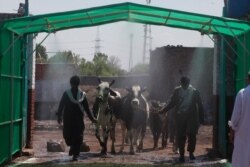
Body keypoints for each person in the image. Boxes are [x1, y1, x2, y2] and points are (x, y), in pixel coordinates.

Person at [160, 76, 204, 163]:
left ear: (188, 84)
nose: (184, 86)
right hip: (180, 117)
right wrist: (163, 110)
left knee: (192, 135)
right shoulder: (177, 91)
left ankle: (191, 153)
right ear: (181, 84)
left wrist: (201, 118)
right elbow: (172, 103)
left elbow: (200, 104)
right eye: (183, 84)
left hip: (192, 117)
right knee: (180, 136)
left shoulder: (194, 92)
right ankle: (182, 155)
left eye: (186, 84)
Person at [56, 75, 96, 161]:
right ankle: (73, 147)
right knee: (67, 136)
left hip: (77, 120)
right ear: (71, 84)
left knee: (78, 137)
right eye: (73, 84)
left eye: (75, 84)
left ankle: (75, 155)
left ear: (76, 84)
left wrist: (92, 118)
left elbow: (86, 108)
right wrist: (59, 115)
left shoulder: (82, 94)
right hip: (69, 119)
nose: (74, 86)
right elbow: (61, 105)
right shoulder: (67, 94)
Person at [229, 71, 250, 167]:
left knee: (241, 160)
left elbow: (235, 117)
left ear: (248, 79)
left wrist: (231, 132)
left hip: (243, 136)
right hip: (243, 136)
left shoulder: (242, 94)